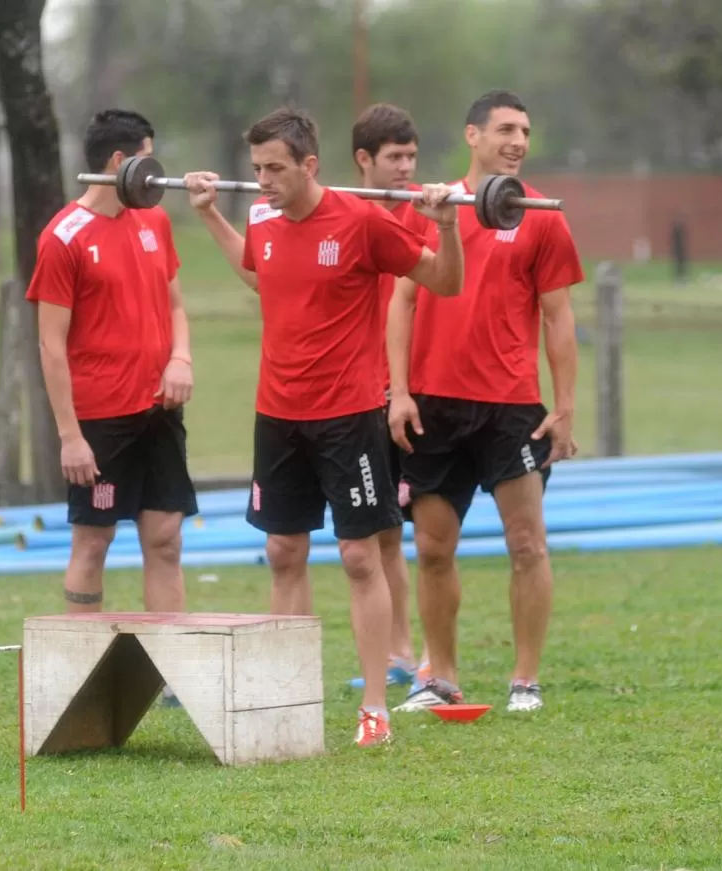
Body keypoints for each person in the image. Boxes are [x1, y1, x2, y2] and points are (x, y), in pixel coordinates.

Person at [183, 105, 464, 746]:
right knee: (283, 551)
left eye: (274, 169)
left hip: (349, 417)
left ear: (310, 165)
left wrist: (445, 227)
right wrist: (207, 214)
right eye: (255, 169)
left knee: (361, 556)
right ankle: (285, 696)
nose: (262, 181)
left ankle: (375, 708)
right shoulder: (264, 219)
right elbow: (260, 274)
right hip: (277, 415)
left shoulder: (365, 222)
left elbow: (446, 281)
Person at [387, 90, 584, 714]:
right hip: (435, 406)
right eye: (505, 129)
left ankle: (524, 681)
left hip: (511, 409)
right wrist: (399, 393)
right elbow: (402, 303)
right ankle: (438, 676)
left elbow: (559, 319)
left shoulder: (541, 217)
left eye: (525, 131)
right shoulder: (433, 207)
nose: (518, 141)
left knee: (527, 545)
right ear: (473, 136)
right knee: (435, 549)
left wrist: (566, 405)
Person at [25, 109, 199, 622]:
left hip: (159, 412)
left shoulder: (156, 221)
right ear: (121, 161)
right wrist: (70, 437)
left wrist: (181, 358)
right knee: (93, 543)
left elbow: (176, 307)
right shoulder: (64, 237)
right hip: (101, 419)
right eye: (149, 159)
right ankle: (81, 667)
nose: (158, 174)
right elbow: (51, 347)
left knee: (166, 539)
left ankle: (169, 670)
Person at [346, 103, 431, 693]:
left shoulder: (430, 211)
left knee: (428, 526)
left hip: (415, 392)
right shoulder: (344, 215)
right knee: (382, 535)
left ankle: (431, 655)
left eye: (410, 156)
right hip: (361, 394)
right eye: (393, 157)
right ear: (364, 160)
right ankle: (398, 652)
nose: (404, 167)